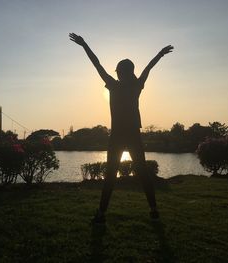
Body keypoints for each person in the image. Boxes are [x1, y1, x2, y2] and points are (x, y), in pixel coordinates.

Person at [69, 33, 173, 223]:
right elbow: (149, 67)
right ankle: (153, 210)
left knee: (110, 175)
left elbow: (97, 64)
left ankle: (101, 214)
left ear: (120, 72)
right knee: (143, 173)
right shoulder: (137, 85)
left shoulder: (114, 86)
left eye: (117, 71)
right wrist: (160, 54)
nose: (116, 73)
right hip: (133, 134)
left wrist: (84, 45)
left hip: (117, 135)